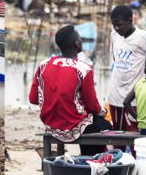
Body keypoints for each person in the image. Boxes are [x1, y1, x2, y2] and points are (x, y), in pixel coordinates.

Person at [29, 25, 110, 156]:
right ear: (77, 43)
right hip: (72, 126)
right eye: (80, 38)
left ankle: (83, 159)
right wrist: (103, 112)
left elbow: (33, 99)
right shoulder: (84, 68)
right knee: (104, 125)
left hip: (51, 125)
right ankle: (88, 161)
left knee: (92, 121)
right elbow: (92, 105)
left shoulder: (43, 64)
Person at [108, 5, 146, 144]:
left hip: (134, 97)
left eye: (120, 25)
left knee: (135, 140)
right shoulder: (114, 34)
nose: (117, 28)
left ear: (130, 20)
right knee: (117, 138)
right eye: (114, 25)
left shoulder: (144, 37)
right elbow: (116, 59)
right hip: (115, 95)